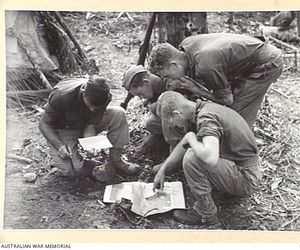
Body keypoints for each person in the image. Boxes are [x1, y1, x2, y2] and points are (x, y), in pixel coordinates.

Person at [153, 91, 261, 225]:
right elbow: (183, 145)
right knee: (193, 150)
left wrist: (190, 138)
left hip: (246, 177)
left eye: (170, 121)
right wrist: (163, 169)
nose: (171, 126)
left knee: (192, 158)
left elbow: (210, 158)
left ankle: (206, 214)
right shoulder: (202, 108)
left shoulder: (206, 118)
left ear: (176, 114)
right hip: (240, 167)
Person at [148, 33, 283, 128]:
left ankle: (243, 157)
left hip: (267, 63)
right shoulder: (186, 46)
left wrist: (195, 89)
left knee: (236, 113)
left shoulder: (206, 65)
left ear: (174, 65)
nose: (169, 80)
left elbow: (227, 101)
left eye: (167, 76)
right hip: (249, 59)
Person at [39, 77, 140, 178]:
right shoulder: (61, 96)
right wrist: (59, 146)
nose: (92, 110)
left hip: (84, 124)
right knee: (71, 171)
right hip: (65, 128)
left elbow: (91, 125)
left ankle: (116, 160)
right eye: (90, 105)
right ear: (83, 92)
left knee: (118, 113)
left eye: (96, 108)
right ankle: (93, 164)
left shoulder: (103, 96)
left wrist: (90, 145)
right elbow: (43, 124)